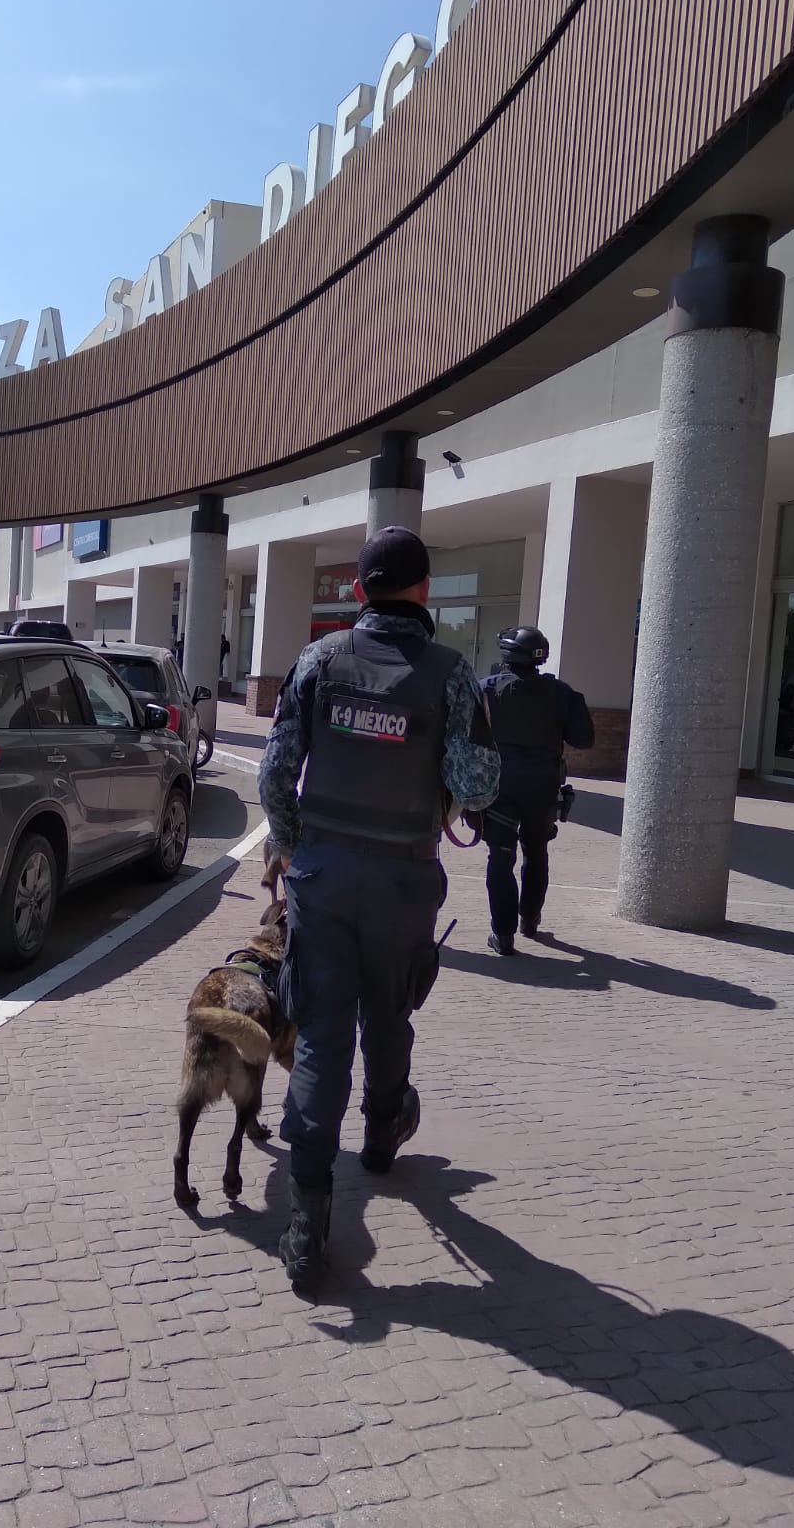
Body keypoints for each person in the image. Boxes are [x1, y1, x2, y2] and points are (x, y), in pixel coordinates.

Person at [258, 526, 500, 1291]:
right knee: (389, 1015)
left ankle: (306, 1222)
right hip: (403, 879)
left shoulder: (318, 660)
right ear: (424, 590)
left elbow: (274, 775)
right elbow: (478, 784)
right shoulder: (452, 673)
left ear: (360, 590)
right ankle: (384, 1132)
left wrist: (295, 849)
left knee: (322, 1032)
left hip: (323, 878)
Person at [479, 626, 595, 956]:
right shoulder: (561, 693)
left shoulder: (487, 689)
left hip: (500, 786)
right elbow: (584, 739)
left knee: (500, 858)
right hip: (543, 787)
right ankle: (529, 920)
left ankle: (503, 935)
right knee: (537, 852)